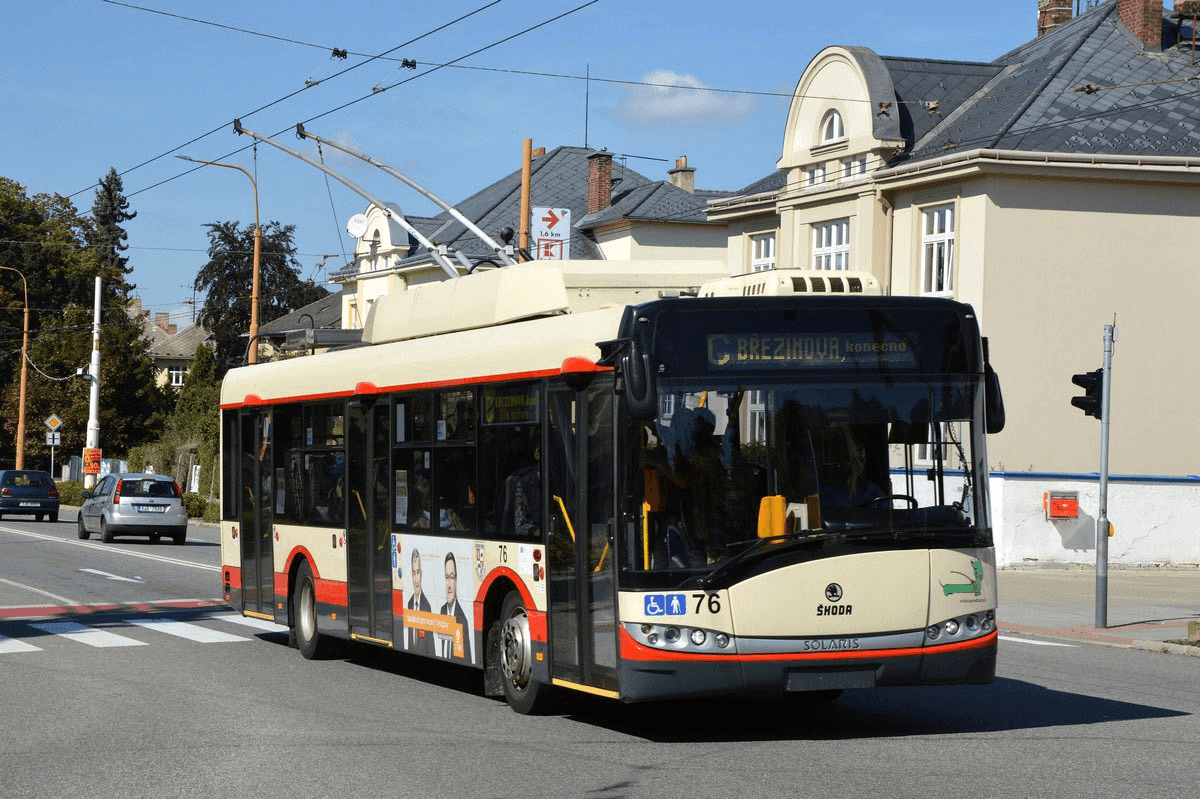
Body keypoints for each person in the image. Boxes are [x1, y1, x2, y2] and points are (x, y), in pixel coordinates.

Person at [438, 552, 472, 663]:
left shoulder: (463, 620)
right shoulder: (442, 611)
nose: (449, 585)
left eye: (452, 577)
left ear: (456, 580)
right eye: (446, 577)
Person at [406, 548, 434, 655]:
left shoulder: (427, 606)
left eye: (418, 572)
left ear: (421, 575)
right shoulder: (409, 603)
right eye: (414, 573)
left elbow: (431, 648)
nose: (416, 579)